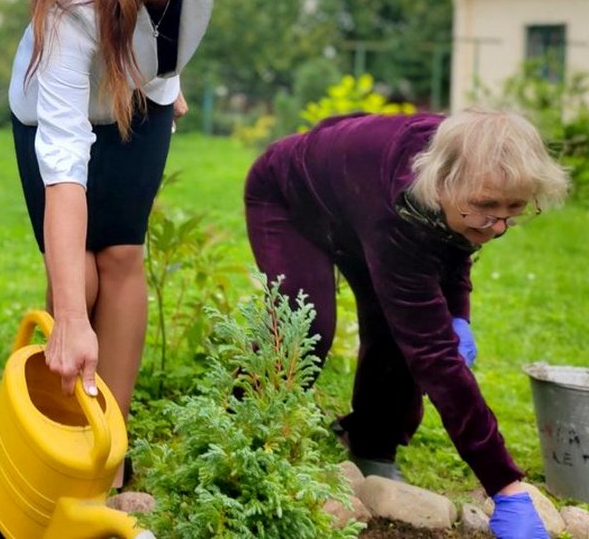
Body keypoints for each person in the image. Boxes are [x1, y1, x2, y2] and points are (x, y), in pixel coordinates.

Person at [8, 0, 229, 486]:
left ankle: (109, 441)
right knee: (80, 270)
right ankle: (65, 412)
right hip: (53, 120)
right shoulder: (71, 1)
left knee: (123, 257)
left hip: (144, 100)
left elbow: (170, 26)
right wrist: (73, 322)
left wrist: (167, 78)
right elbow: (67, 168)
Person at [244, 108, 569, 538]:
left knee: (396, 326)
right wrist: (505, 486)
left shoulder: (465, 173)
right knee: (306, 324)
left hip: (356, 198)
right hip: (289, 199)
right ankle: (244, 437)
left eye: (514, 210)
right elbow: (435, 359)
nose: (498, 227)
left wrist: (459, 315)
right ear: (441, 185)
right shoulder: (399, 215)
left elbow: (453, 244)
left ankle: (372, 448)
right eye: (487, 208)